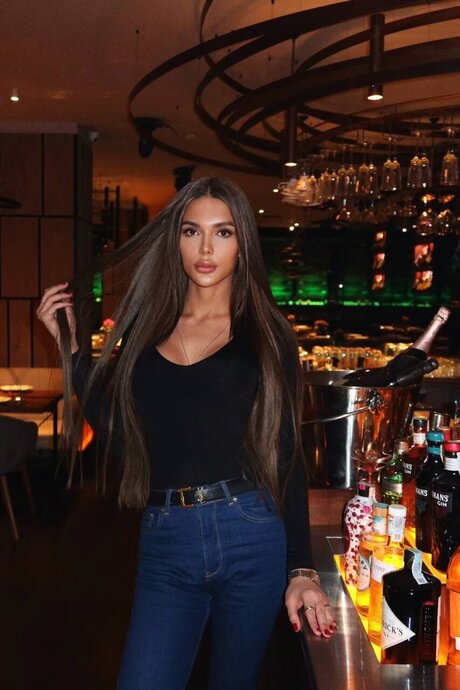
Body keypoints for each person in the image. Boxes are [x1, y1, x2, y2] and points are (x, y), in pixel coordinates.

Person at [37, 177, 336, 690]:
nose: (205, 248)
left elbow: (287, 453)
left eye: (223, 232)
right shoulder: (146, 330)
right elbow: (124, 437)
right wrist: (72, 353)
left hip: (250, 532)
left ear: (242, 243)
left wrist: (301, 571)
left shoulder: (268, 334)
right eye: (192, 231)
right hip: (166, 537)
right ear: (175, 238)